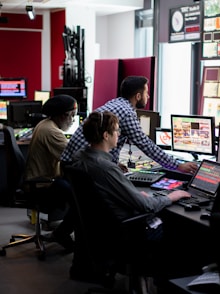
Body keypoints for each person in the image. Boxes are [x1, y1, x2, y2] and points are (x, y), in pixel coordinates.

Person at [69, 110, 192, 282]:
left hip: (101, 229)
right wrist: (173, 196)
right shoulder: (105, 167)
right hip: (125, 231)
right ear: (106, 135)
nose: (119, 134)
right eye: (117, 130)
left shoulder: (81, 156)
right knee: (183, 230)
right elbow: (146, 206)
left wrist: (133, 195)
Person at [61, 75, 198, 174]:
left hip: (72, 164)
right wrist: (178, 166)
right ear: (138, 96)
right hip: (85, 168)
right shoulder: (127, 112)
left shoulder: (115, 103)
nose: (148, 96)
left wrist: (113, 164)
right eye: (146, 93)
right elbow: (146, 145)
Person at [24, 94, 78, 251]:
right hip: (42, 186)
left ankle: (62, 231)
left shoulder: (45, 124)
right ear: (63, 115)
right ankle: (62, 233)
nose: (73, 120)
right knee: (83, 197)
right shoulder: (52, 132)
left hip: (38, 181)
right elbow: (76, 155)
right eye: (72, 116)